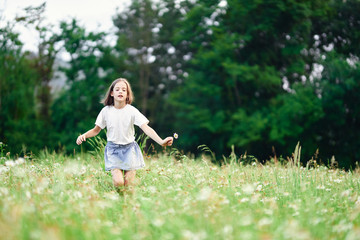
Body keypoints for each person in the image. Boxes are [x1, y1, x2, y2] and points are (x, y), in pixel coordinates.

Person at [76, 78, 173, 191]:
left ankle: (128, 205)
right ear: (112, 93)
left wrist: (161, 141)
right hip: (113, 150)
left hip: (129, 149)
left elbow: (146, 128)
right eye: (117, 89)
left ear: (127, 94)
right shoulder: (106, 111)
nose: (120, 92)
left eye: (123, 90)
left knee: (129, 184)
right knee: (118, 182)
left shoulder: (132, 111)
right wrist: (84, 135)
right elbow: (96, 130)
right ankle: (120, 200)